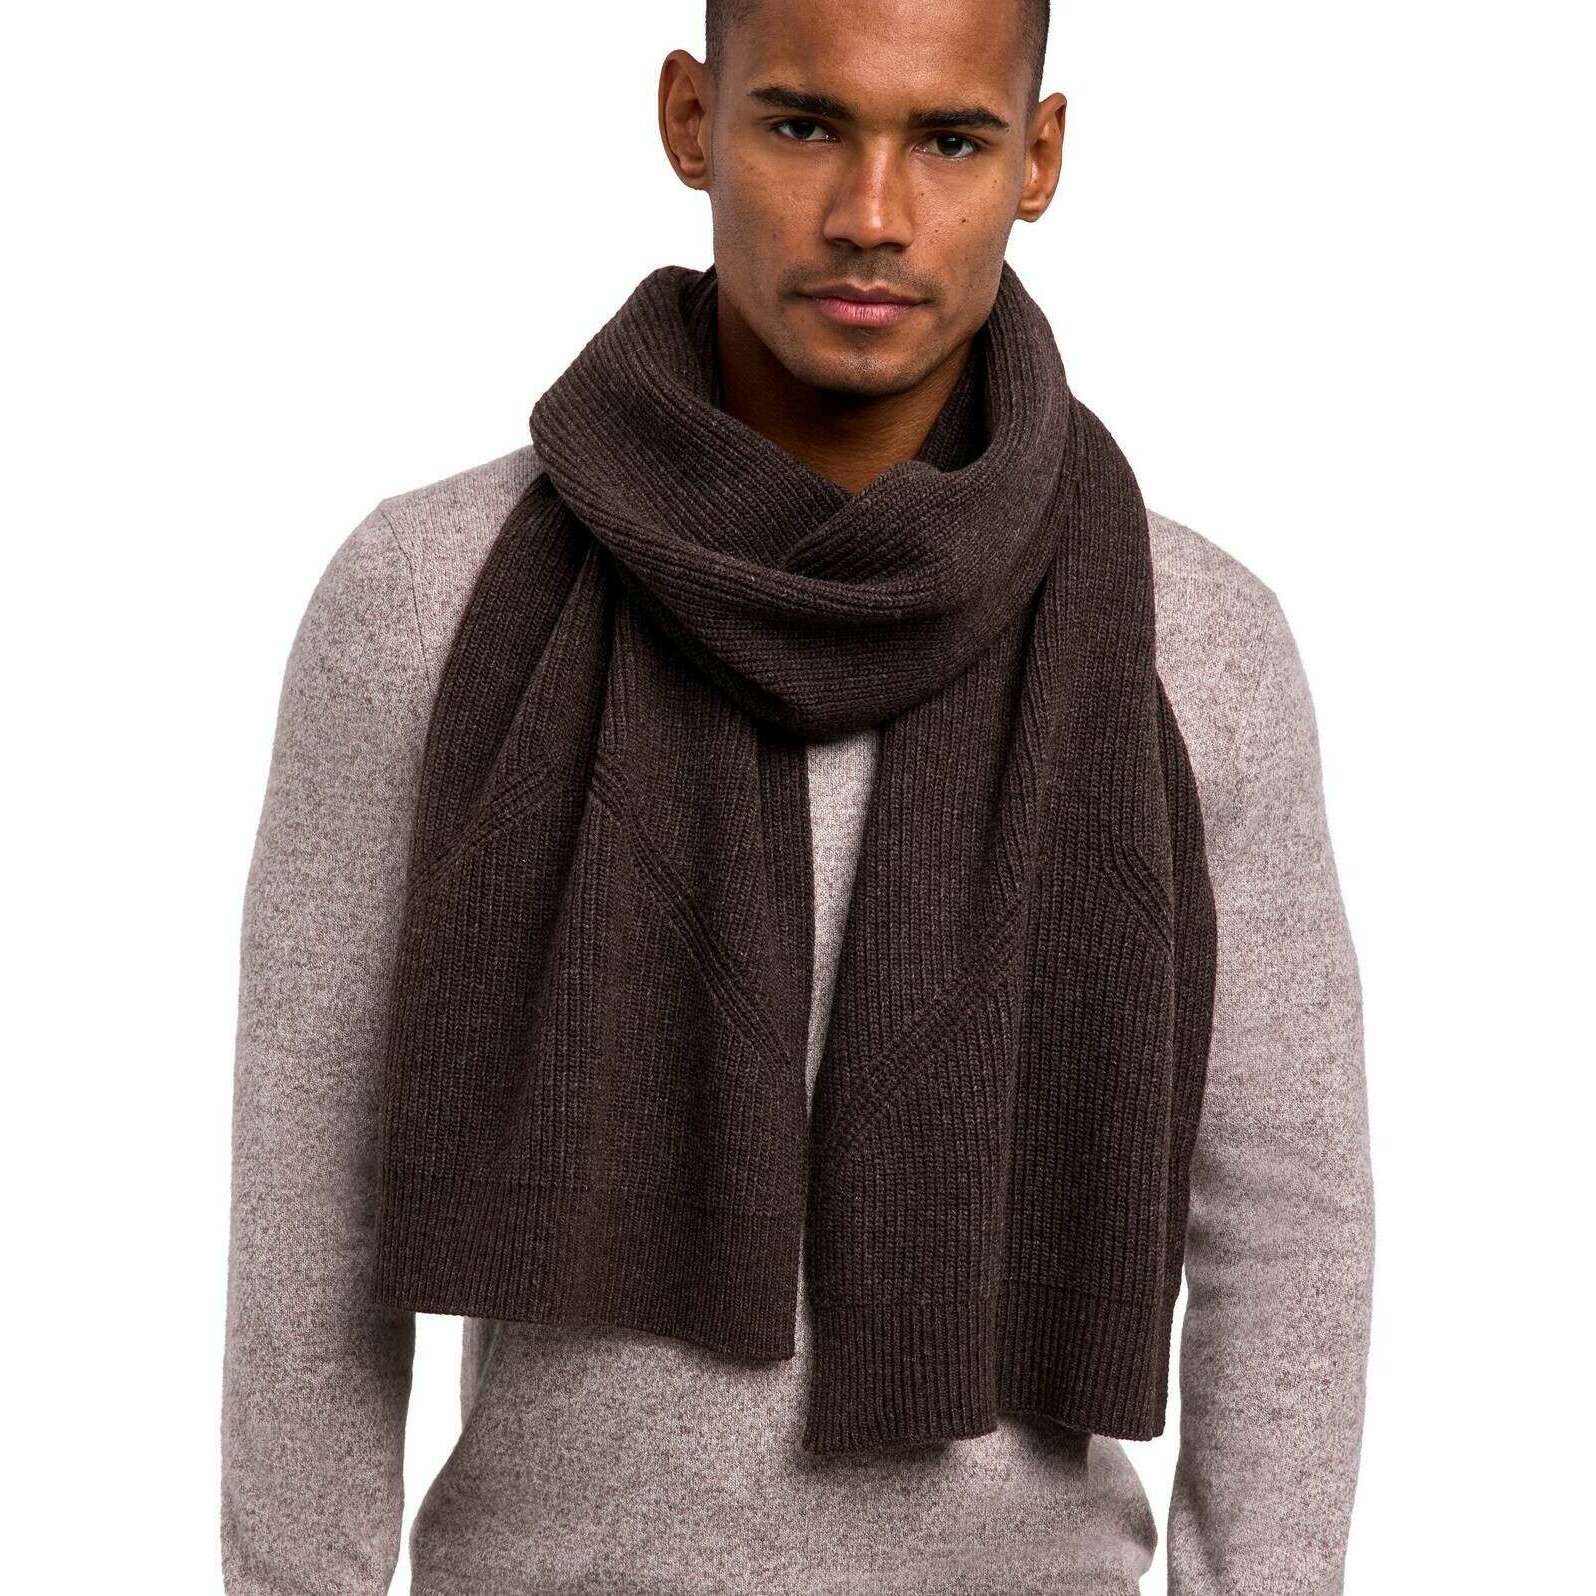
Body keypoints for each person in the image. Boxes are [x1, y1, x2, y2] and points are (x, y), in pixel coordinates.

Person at [219, 0, 1375, 1590]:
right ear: (693, 119)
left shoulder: (1195, 641)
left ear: (1038, 158)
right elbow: (310, 1212)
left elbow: (1290, 1225)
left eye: (949, 139)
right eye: (805, 125)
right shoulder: (430, 596)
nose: (871, 215)